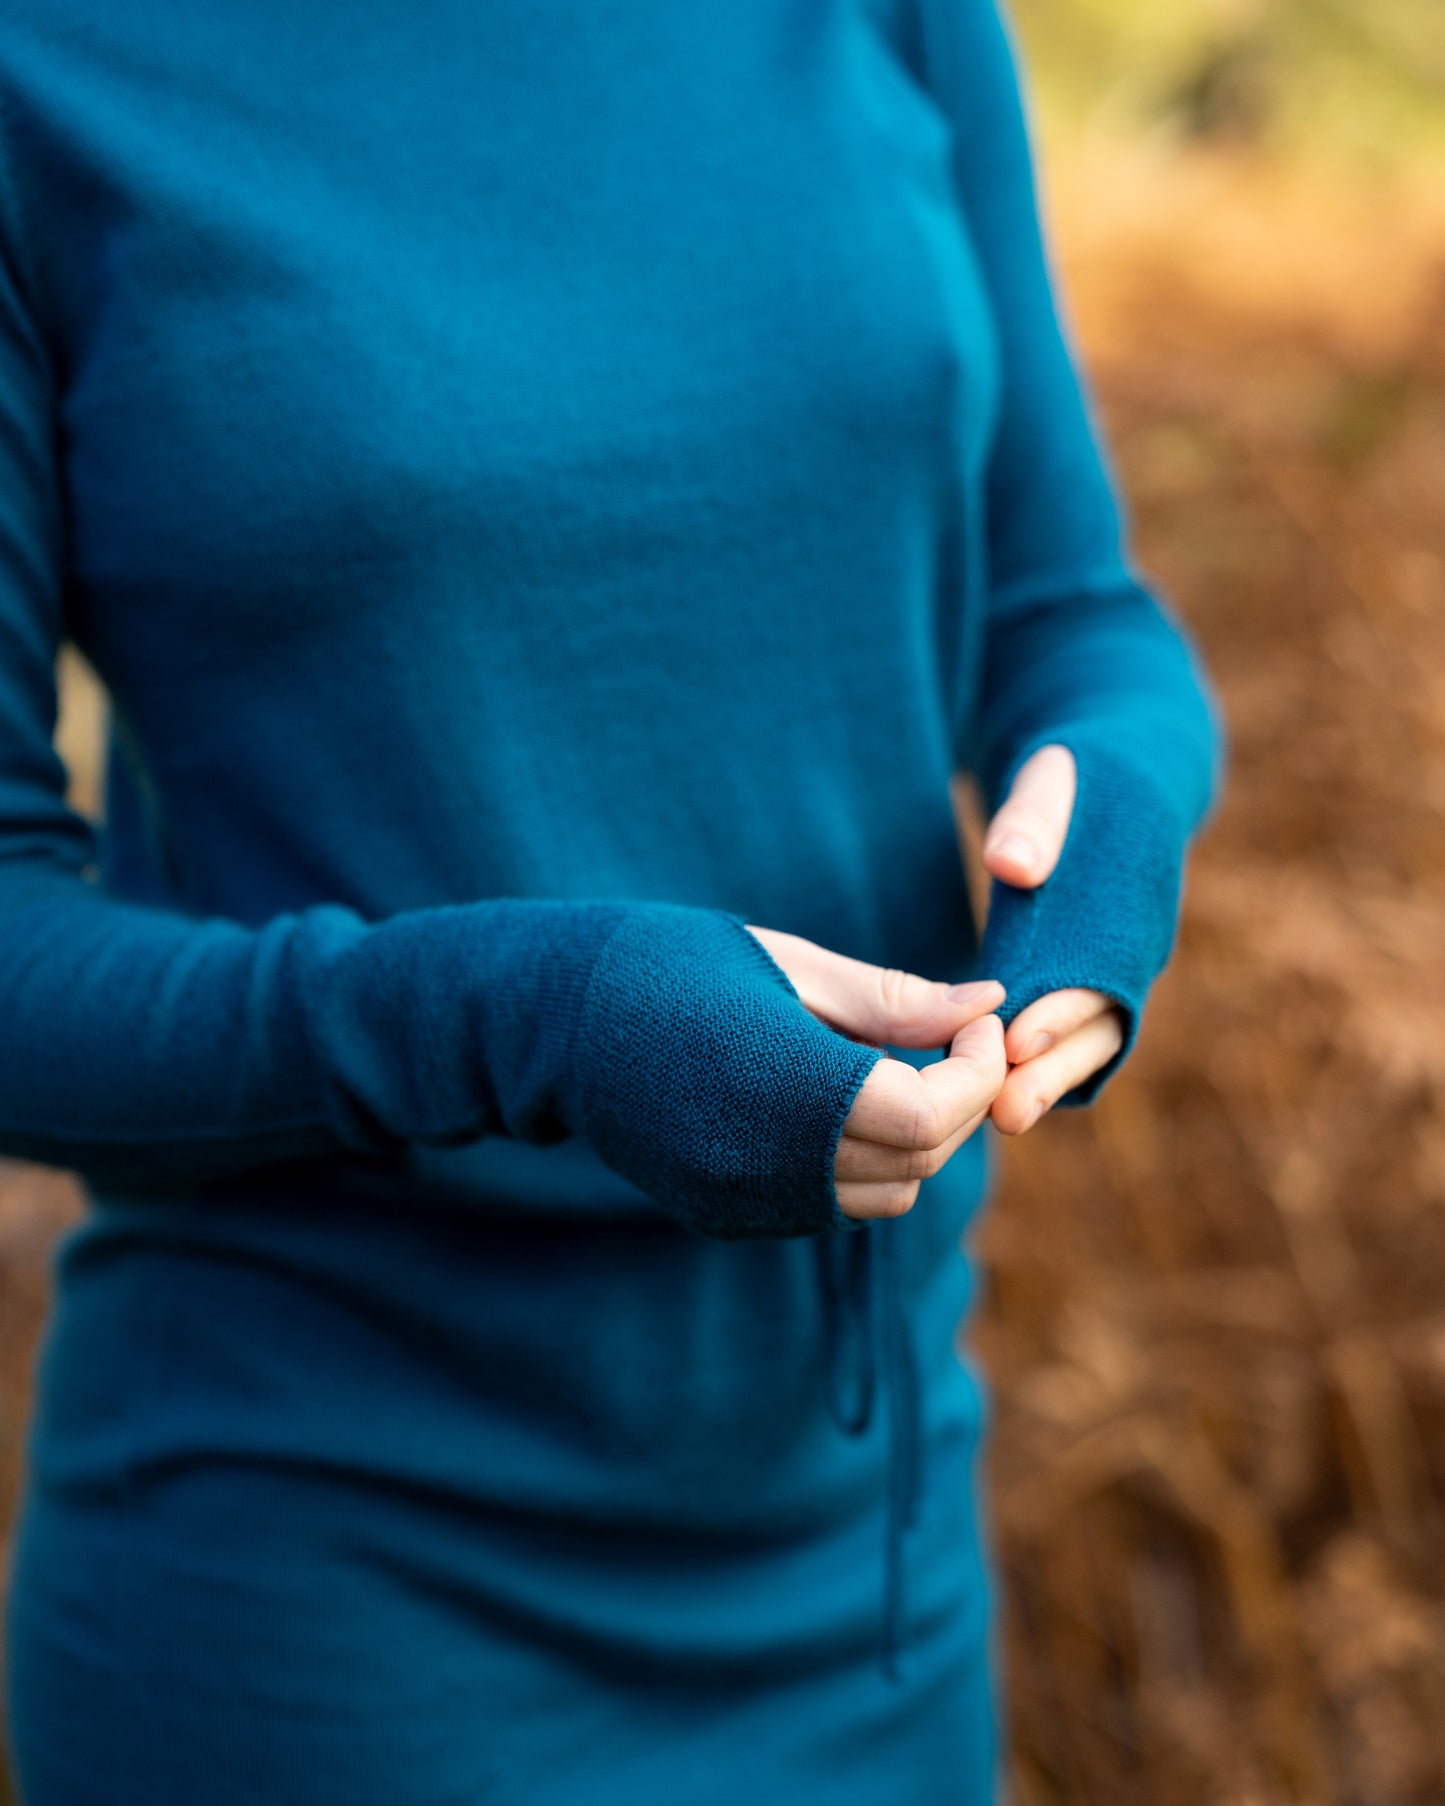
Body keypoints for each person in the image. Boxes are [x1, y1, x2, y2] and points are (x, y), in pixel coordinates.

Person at [0, 0, 1222, 1800]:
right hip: (329, 1606)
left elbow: (1066, 607)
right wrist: (530, 1018)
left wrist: (1105, 815)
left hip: (871, 1561)